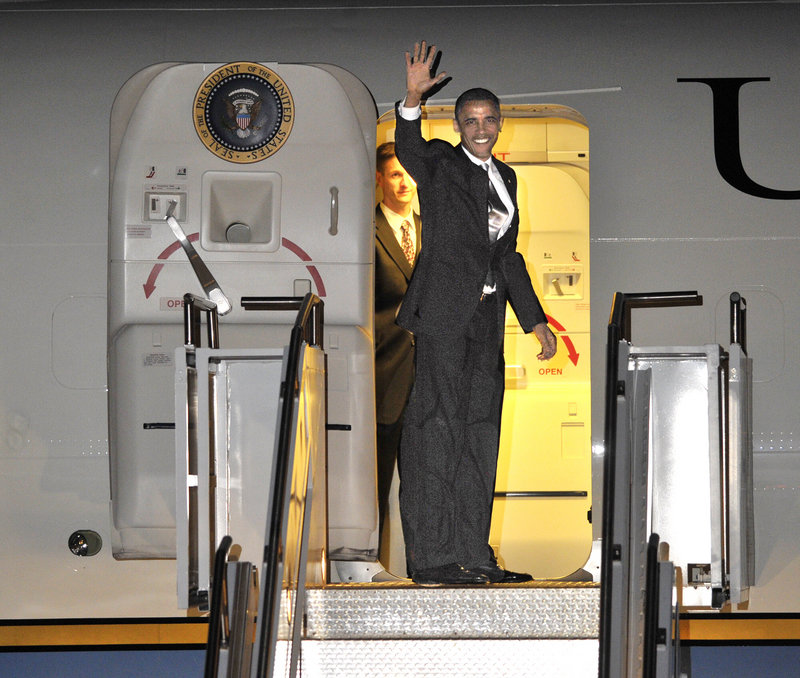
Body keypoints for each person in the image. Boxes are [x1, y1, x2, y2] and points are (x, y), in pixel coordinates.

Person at [394, 41, 558, 586]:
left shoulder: (506, 181)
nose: (480, 128)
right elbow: (410, 150)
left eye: (489, 119)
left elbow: (505, 257)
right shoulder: (440, 163)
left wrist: (534, 319)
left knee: (480, 432)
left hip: (486, 321)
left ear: (500, 123)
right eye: (470, 120)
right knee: (436, 430)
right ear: (459, 125)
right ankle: (432, 559)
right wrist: (413, 100)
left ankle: (473, 555)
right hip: (443, 315)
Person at [374, 142, 421, 550]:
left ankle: (429, 567)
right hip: (381, 374)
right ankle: (368, 567)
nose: (404, 182)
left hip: (430, 379)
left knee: (427, 487)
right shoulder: (364, 231)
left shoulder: (435, 228)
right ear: (380, 179)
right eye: (394, 174)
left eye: (408, 173)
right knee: (375, 489)